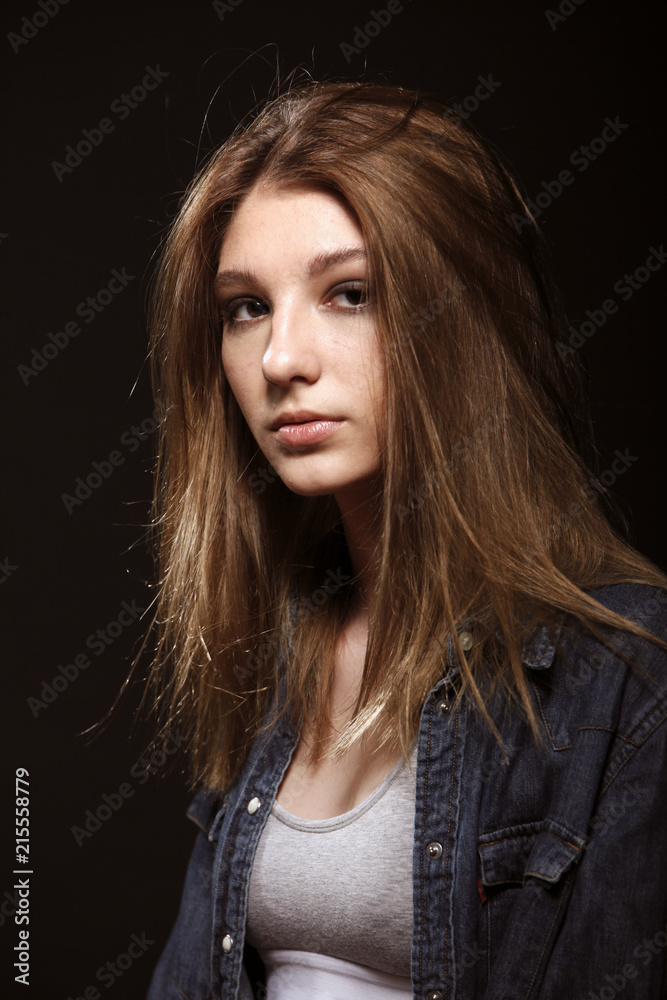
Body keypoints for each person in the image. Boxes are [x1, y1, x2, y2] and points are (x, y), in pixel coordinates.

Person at [143, 80, 667, 999]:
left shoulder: (623, 680)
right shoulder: (280, 652)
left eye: (348, 294)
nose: (279, 360)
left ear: (457, 319)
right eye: (245, 307)